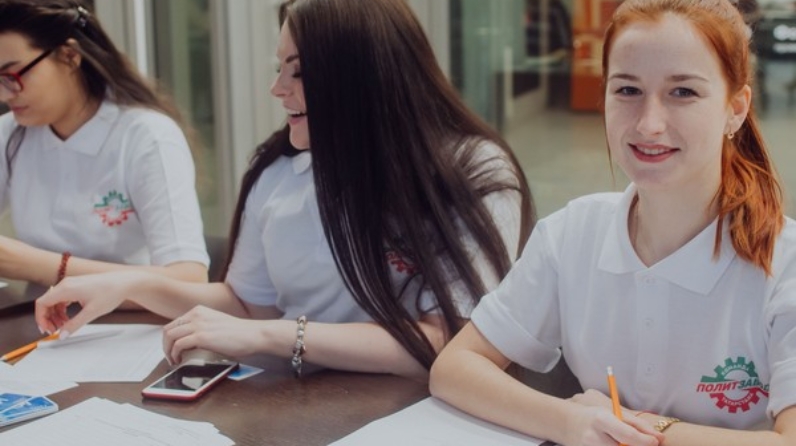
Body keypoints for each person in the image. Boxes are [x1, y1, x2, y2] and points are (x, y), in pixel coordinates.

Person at [35, 0, 534, 381]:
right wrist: (128, 284)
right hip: (299, 402)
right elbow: (248, 304)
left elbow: (447, 342)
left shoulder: (471, 171)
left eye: (298, 71)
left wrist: (272, 336)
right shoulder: (279, 172)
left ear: (361, 76)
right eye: (279, 68)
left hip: (414, 414)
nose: (277, 89)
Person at [430, 0, 796, 444]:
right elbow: (454, 367)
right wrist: (570, 421)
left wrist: (635, 427)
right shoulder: (572, 234)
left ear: (735, 108)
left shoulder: (785, 264)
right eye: (627, 90)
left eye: (683, 92)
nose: (649, 124)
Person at [0, 0, 209, 288]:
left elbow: (189, 279)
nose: (5, 95)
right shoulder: (11, 133)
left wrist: (34, 264)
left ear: (69, 56)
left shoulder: (147, 137)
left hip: (130, 313)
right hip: (37, 311)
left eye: (12, 76)